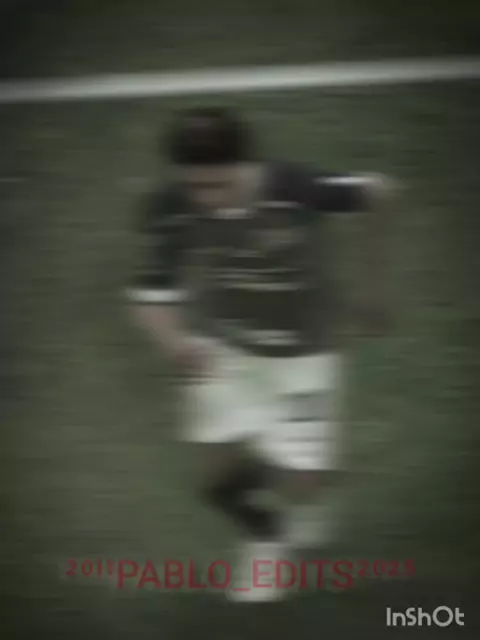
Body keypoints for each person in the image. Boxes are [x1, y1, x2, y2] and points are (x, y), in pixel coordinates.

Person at [127, 107, 395, 601]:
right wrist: (175, 344)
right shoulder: (172, 205)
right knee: (217, 481)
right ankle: (266, 536)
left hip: (305, 358)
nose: (208, 200)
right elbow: (150, 296)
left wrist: (372, 288)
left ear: (247, 163)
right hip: (225, 352)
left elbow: (378, 192)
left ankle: (312, 486)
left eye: (222, 185)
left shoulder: (296, 189)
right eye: (196, 186)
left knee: (304, 479)